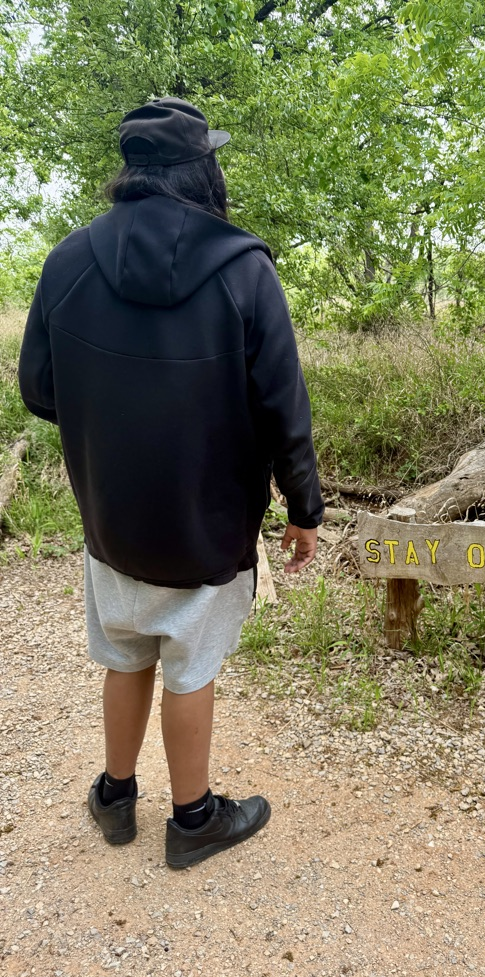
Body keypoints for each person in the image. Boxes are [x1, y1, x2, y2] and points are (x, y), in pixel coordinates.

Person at [18, 97, 324, 868]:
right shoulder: (245, 269)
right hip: (208, 519)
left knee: (125, 654)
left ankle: (115, 796)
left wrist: (111, 418)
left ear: (131, 170)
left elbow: (38, 390)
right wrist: (304, 505)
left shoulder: (66, 260)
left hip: (112, 515)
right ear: (202, 170)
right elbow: (282, 403)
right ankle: (193, 820)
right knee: (191, 663)